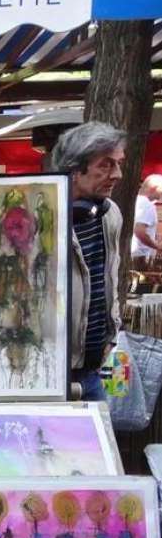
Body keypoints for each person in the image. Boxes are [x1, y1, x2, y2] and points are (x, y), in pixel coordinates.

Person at [50, 121, 126, 401]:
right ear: (74, 168)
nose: (117, 174)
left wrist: (112, 335)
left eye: (118, 164)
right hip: (51, 375)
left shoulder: (110, 214)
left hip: (95, 371)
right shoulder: (44, 219)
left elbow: (110, 278)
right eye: (106, 165)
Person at [131, 174, 162, 260]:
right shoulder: (147, 205)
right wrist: (157, 246)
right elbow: (139, 231)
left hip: (131, 254)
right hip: (140, 256)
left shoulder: (135, 201)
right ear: (154, 188)